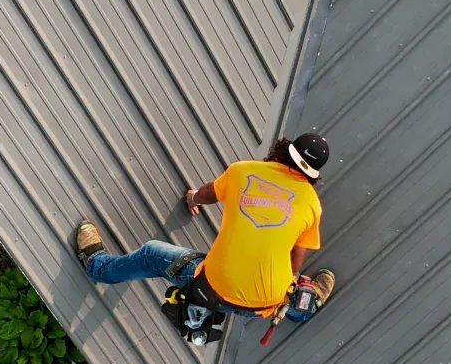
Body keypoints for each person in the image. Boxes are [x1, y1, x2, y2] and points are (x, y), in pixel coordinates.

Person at [75, 133, 336, 334]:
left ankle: (97, 267)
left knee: (151, 254)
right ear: (313, 174)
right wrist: (283, 282)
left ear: (283, 148)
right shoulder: (311, 203)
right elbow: (295, 260)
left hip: (212, 289)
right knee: (293, 291)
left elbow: (210, 193)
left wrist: (193, 198)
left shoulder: (243, 171)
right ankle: (303, 309)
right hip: (262, 305)